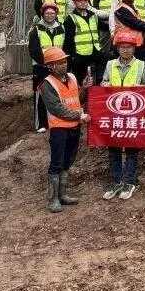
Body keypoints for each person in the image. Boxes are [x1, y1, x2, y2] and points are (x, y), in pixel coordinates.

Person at [38, 47, 91, 213]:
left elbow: (78, 99)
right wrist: (79, 116)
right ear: (51, 66)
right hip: (59, 129)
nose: (64, 65)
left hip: (74, 127)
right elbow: (56, 108)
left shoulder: (72, 78)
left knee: (67, 162)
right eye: (59, 63)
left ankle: (62, 195)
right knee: (57, 163)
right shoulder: (47, 84)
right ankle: (53, 199)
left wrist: (84, 89)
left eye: (64, 61)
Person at [101, 30, 145, 201]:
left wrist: (141, 89)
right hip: (113, 113)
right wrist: (105, 84)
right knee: (113, 148)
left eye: (129, 47)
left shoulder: (142, 65)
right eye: (122, 47)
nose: (125, 50)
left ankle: (129, 182)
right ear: (118, 48)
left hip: (134, 113)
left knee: (131, 149)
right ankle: (115, 181)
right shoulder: (110, 65)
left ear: (134, 48)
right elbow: (103, 82)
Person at [28, 1, 65, 133]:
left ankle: (57, 121)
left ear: (56, 14)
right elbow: (34, 51)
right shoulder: (36, 30)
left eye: (52, 13)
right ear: (43, 14)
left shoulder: (62, 28)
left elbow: (66, 46)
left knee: (58, 95)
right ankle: (41, 124)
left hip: (58, 67)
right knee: (41, 95)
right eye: (47, 13)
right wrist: (47, 63)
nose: (50, 15)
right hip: (41, 68)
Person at [63, 0, 105, 85]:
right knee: (81, 82)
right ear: (74, 2)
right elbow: (68, 41)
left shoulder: (93, 16)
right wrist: (71, 57)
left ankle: (99, 87)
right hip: (80, 56)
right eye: (80, 0)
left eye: (85, 0)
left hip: (96, 52)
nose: (83, 2)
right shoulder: (70, 19)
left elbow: (103, 27)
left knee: (104, 65)